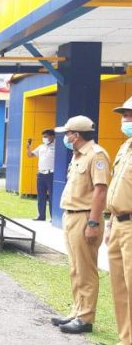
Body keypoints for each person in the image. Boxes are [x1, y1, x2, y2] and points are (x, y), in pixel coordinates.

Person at [52, 115, 109, 334]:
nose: (66, 137)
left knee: (85, 269)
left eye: (67, 134)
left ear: (76, 135)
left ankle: (85, 318)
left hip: (86, 216)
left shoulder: (96, 155)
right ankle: (76, 311)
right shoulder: (77, 155)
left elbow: (100, 190)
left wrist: (93, 222)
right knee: (75, 268)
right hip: (72, 215)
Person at [106, 97, 132, 345]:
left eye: (130, 115)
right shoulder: (125, 148)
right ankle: (126, 339)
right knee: (120, 288)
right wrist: (109, 222)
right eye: (124, 115)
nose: (126, 120)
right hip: (118, 223)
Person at [27, 129, 56, 221]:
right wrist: (28, 148)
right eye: (43, 137)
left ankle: (53, 217)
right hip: (41, 174)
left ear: (52, 136)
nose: (44, 138)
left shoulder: (57, 146)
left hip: (51, 174)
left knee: (52, 196)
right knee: (41, 196)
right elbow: (30, 155)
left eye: (46, 136)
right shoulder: (41, 147)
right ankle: (41, 216)